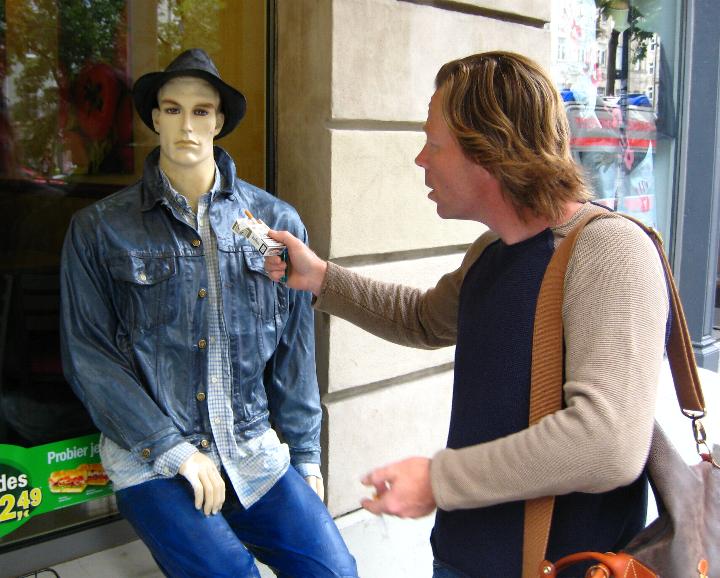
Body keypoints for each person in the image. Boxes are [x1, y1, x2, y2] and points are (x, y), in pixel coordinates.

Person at [265, 52, 669, 578]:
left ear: (489, 150)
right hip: (463, 556)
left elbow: (607, 444)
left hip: (564, 567)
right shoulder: (491, 251)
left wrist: (438, 481)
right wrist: (320, 277)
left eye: (434, 143)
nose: (421, 159)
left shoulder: (609, 251)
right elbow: (422, 319)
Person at [60, 48, 357, 578]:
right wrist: (173, 450)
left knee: (334, 571)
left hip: (251, 449)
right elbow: (90, 359)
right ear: (154, 118)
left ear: (219, 121)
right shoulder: (100, 230)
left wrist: (306, 455)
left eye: (201, 111)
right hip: (154, 457)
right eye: (172, 110)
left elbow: (294, 351)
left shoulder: (275, 222)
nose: (187, 125)